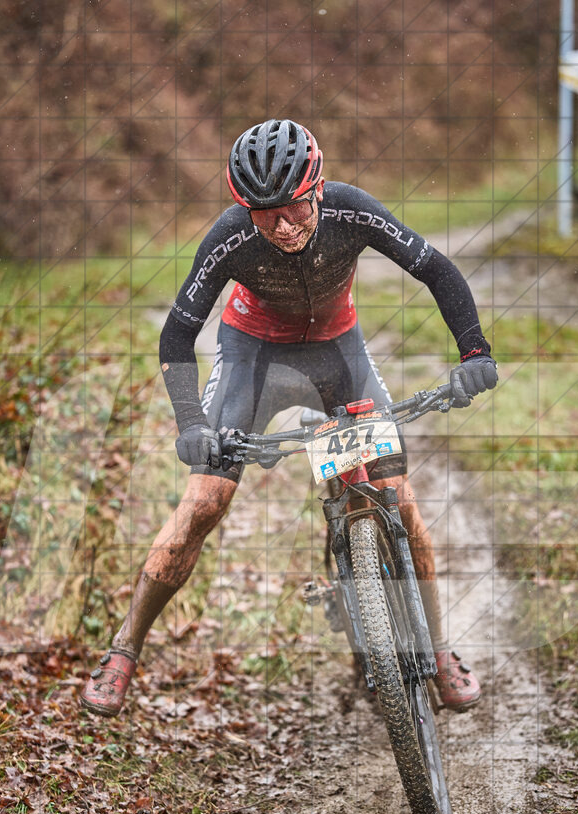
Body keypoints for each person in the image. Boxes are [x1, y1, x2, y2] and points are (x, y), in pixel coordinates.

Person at [80, 119, 497, 719]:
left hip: (338, 354)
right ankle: (123, 651)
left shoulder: (352, 210)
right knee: (203, 503)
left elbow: (436, 269)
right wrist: (192, 422)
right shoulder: (231, 236)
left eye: (293, 207)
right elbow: (177, 336)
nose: (281, 226)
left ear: (318, 188)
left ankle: (436, 649)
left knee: (397, 496)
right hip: (255, 357)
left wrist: (474, 351)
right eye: (263, 213)